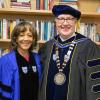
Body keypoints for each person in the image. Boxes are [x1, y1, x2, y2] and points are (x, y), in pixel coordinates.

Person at [38, 5, 100, 100]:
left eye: (69, 19)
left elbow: (95, 83)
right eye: (61, 19)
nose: (65, 23)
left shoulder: (89, 47)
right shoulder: (47, 47)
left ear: (75, 22)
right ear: (55, 21)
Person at [0, 21, 41, 100]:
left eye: (29, 35)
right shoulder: (6, 60)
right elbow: (5, 91)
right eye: (21, 35)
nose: (26, 39)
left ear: (33, 39)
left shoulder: (37, 58)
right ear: (16, 39)